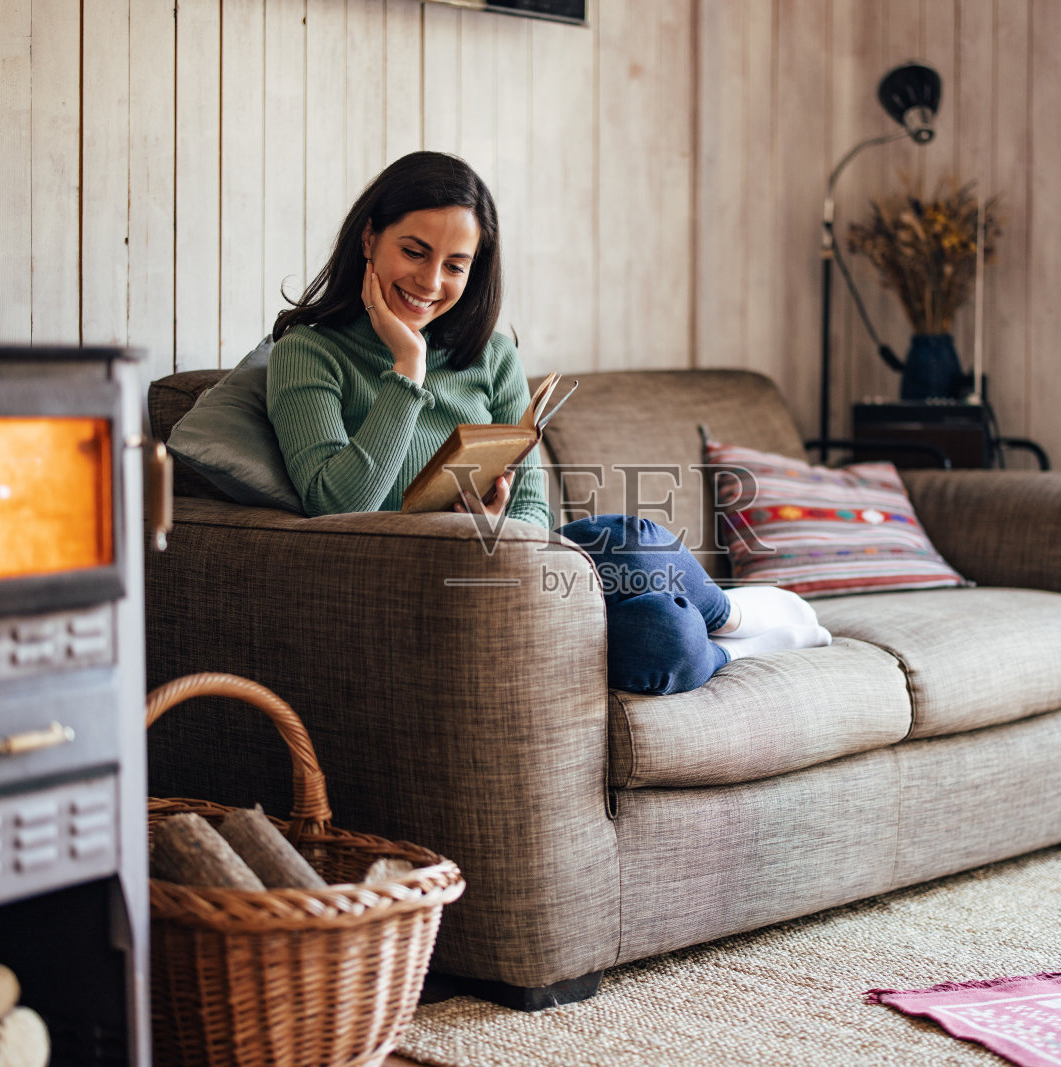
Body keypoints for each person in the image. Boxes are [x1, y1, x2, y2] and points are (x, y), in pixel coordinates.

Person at [266, 151, 829, 695]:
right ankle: (741, 647)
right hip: (413, 587)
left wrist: (495, 526)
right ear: (369, 238)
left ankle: (731, 613)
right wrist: (407, 371)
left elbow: (536, 511)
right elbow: (335, 508)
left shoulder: (490, 356)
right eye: (414, 252)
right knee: (665, 642)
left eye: (455, 265)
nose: (431, 282)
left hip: (511, 572)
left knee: (632, 543)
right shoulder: (308, 354)